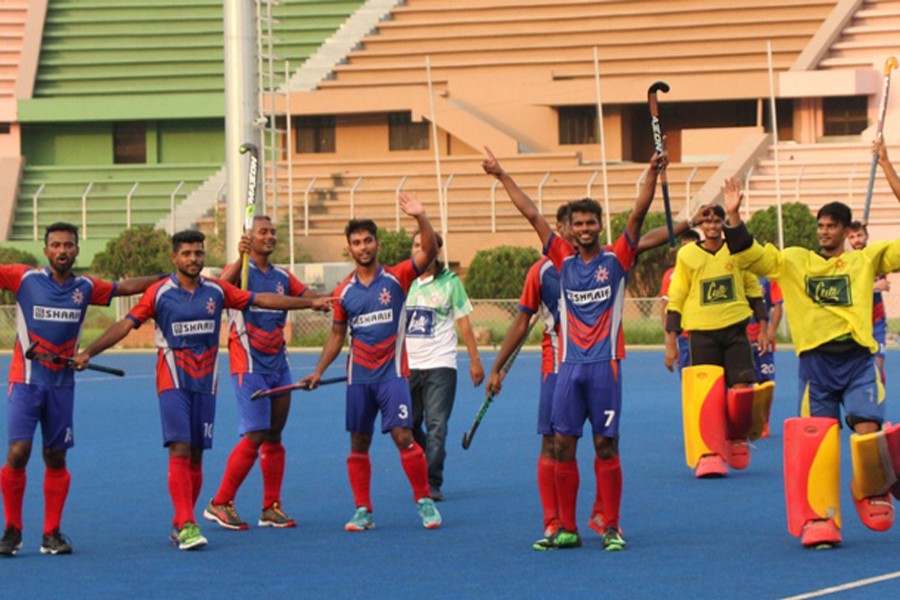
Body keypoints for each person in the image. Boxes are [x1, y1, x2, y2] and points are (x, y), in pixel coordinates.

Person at [71, 230, 333, 551]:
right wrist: (88, 352)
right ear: (174, 258)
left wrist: (309, 303)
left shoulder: (217, 290)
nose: (193, 259)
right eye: (186, 253)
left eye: (198, 253)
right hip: (173, 382)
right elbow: (125, 324)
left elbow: (260, 300)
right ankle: (189, 524)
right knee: (180, 449)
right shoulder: (159, 293)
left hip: (206, 383)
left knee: (195, 455)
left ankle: (182, 521)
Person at [482, 145, 662, 551]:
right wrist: (501, 175)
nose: (584, 227)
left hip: (605, 369)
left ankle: (611, 526)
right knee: (562, 445)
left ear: (600, 225)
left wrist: (651, 171)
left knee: (605, 444)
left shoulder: (618, 258)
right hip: (567, 369)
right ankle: (566, 528)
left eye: (591, 221)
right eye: (578, 222)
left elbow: (639, 213)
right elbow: (533, 215)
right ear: (571, 228)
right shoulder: (560, 260)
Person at [721, 178, 900, 548]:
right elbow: (748, 254)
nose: (824, 231)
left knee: (867, 427)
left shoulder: (865, 259)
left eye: (831, 225)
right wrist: (735, 216)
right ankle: (821, 517)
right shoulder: (793, 261)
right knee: (820, 440)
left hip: (858, 361)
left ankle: (869, 489)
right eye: (820, 225)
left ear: (847, 231)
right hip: (816, 366)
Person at [0, 222, 159, 557]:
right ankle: (12, 531)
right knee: (18, 453)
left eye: (68, 245)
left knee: (55, 456)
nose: (62, 250)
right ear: (45, 250)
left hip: (61, 385)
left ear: (76, 250)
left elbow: (124, 287)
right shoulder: (24, 278)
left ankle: (51, 533)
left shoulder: (85, 287)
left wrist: (167, 279)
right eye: (56, 245)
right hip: (25, 382)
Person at [299, 193, 443, 532]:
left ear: (377, 244)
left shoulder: (397, 278)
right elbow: (337, 336)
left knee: (404, 437)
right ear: (349, 249)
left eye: (367, 241)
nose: (363, 247)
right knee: (358, 443)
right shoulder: (343, 291)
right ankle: (363, 510)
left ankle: (425, 502)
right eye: (356, 243)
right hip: (358, 379)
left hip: (392, 376)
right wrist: (318, 371)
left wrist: (421, 217)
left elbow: (430, 250)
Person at [203, 215, 320, 531]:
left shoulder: (282, 275)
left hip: (278, 365)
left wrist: (322, 302)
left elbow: (306, 295)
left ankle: (271, 507)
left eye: (272, 232)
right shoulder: (241, 272)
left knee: (274, 434)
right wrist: (237, 259)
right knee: (255, 432)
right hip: (249, 364)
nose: (270, 236)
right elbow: (217, 291)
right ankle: (220, 502)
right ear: (248, 238)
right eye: (263, 232)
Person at [664, 204, 769, 477]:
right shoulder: (687, 255)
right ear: (700, 225)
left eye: (717, 220)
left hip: (735, 330)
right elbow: (677, 297)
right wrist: (671, 343)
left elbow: (753, 290)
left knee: (742, 390)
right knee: (708, 398)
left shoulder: (737, 249)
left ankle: (736, 436)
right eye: (707, 220)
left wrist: (765, 328)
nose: (712, 225)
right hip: (701, 333)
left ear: (723, 223)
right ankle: (710, 453)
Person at [405, 232, 484, 502]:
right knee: (409, 424)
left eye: (425, 246)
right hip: (409, 366)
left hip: (441, 363)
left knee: (437, 424)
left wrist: (475, 360)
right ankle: (430, 453)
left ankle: (432, 482)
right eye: (416, 245)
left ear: (436, 251)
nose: (420, 250)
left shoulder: (451, 283)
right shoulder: (405, 282)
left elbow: (463, 322)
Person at [847, 221, 890, 379]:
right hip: (856, 323)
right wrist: (875, 286)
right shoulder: (847, 262)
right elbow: (849, 291)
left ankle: (879, 399)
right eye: (852, 237)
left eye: (859, 235)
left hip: (876, 320)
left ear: (866, 236)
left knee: (878, 366)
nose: (856, 240)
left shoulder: (877, 257)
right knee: (855, 371)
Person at [660, 229, 702, 375]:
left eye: (692, 246)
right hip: (684, 338)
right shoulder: (670, 275)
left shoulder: (707, 270)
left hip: (707, 335)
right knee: (687, 382)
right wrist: (670, 343)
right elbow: (666, 309)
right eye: (684, 246)